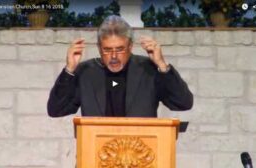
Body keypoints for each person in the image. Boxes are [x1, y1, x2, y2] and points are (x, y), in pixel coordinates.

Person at [47, 15, 193, 117]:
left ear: (130, 47)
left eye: (120, 49)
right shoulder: (85, 72)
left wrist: (162, 65)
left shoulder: (149, 69)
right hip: (95, 156)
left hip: (141, 156)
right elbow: (55, 110)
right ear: (99, 48)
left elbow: (183, 103)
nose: (114, 56)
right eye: (108, 50)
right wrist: (69, 70)